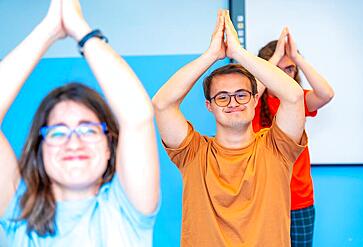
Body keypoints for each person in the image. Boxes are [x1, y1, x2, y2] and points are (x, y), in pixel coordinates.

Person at [0, 0, 159, 245]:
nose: (73, 142)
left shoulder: (125, 211)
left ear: (108, 147)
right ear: (40, 149)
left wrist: (81, 30)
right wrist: (48, 31)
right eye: (58, 132)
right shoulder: (17, 214)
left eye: (88, 129)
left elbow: (138, 116)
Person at [153, 10, 307, 247]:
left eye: (241, 95)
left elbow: (295, 96)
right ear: (209, 106)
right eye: (222, 97)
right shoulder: (193, 153)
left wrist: (238, 53)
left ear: (256, 99)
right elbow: (162, 104)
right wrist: (211, 55)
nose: (233, 102)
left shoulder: (277, 148)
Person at [254, 27, 334, 247]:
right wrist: (275, 58)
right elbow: (250, 96)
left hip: (299, 199)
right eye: (276, 70)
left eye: (289, 69)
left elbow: (326, 94)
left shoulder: (299, 102)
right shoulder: (249, 104)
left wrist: (297, 57)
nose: (283, 75)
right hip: (262, 199)